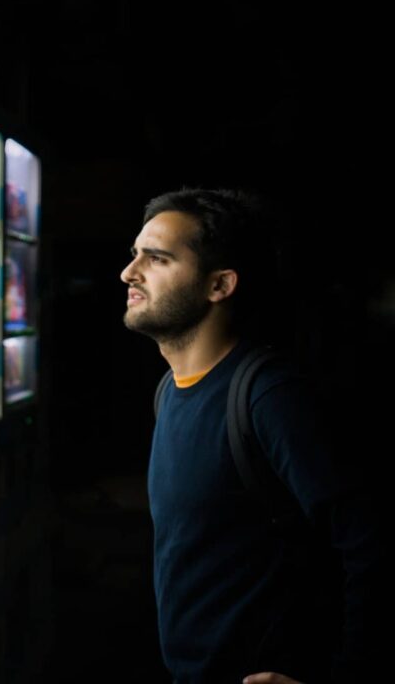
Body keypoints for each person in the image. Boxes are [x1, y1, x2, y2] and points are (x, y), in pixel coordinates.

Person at [120, 188, 377, 683]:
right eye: (135, 256)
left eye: (157, 258)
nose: (129, 273)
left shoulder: (269, 397)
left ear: (220, 285)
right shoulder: (169, 391)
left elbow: (369, 545)